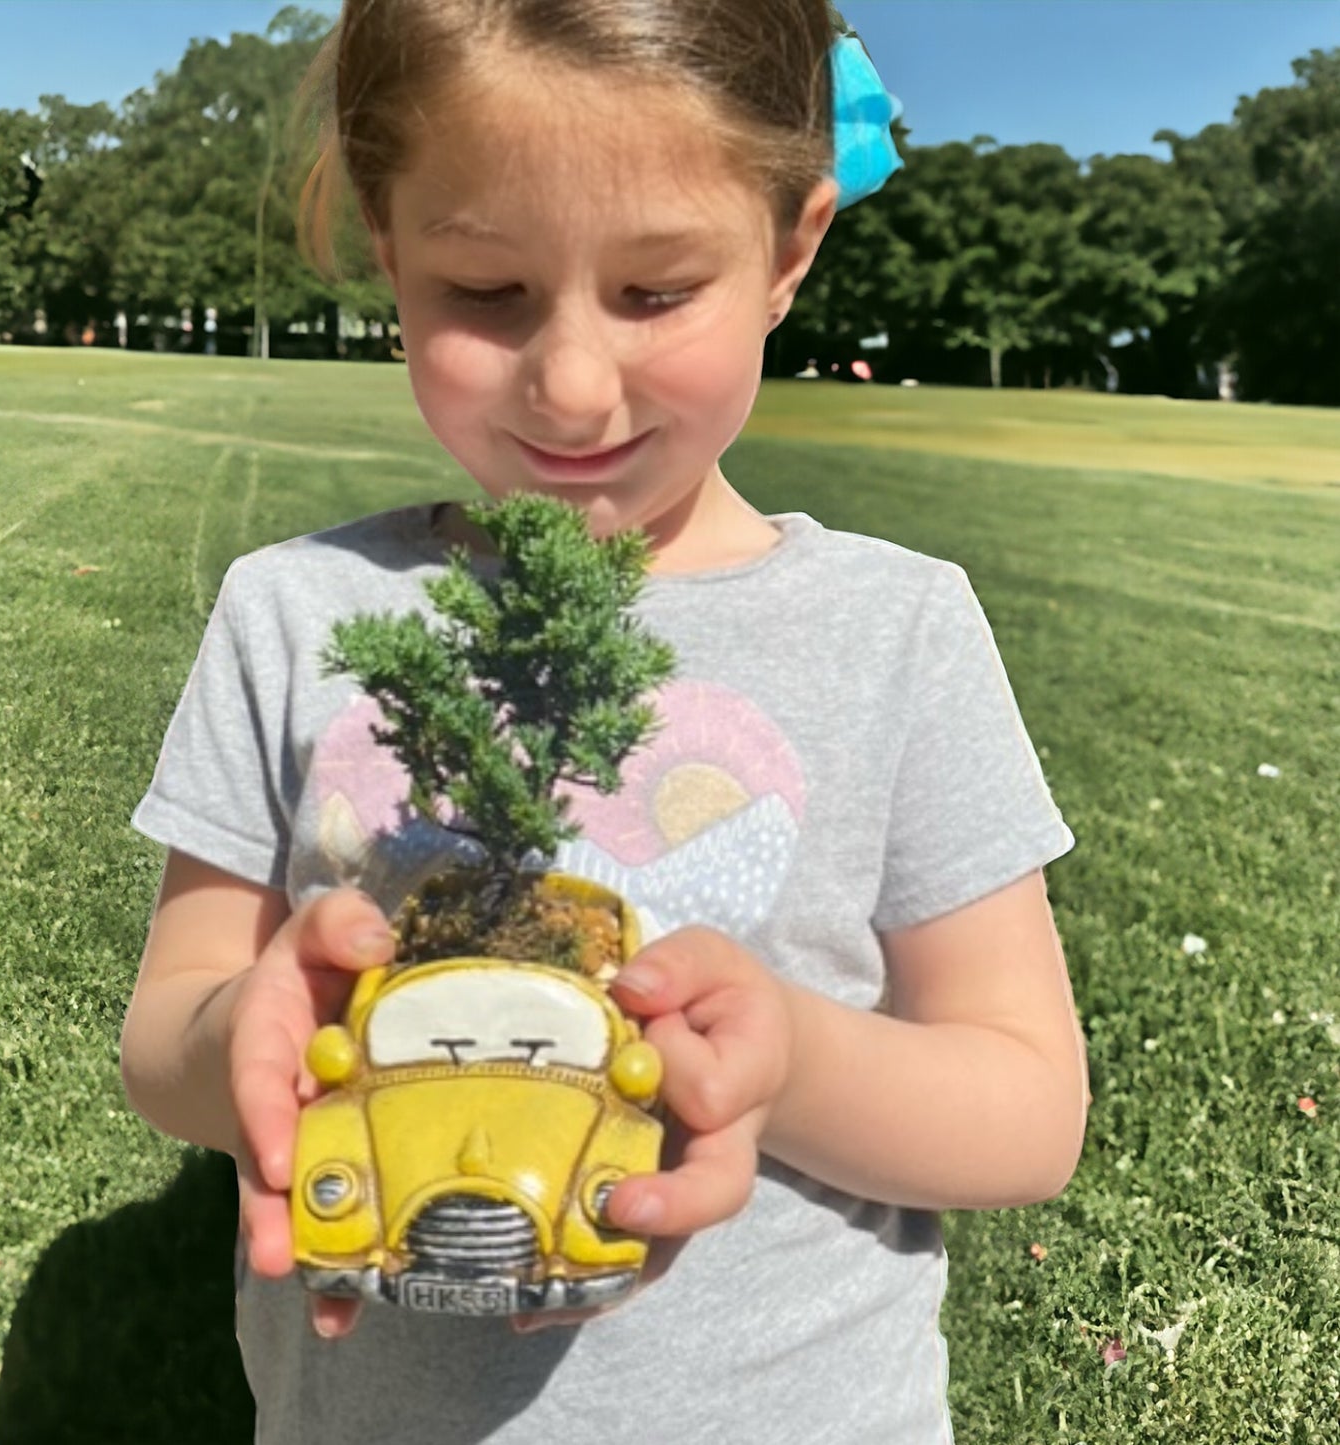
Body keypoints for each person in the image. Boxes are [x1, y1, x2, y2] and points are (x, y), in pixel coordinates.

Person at [120, 3, 1088, 1442]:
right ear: (390, 250)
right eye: (486, 289)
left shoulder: (899, 631)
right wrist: (245, 1028)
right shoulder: (293, 608)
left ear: (789, 249)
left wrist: (791, 1059)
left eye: (655, 291)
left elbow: (1024, 1109)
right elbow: (167, 1033)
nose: (571, 385)